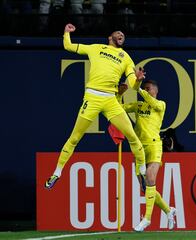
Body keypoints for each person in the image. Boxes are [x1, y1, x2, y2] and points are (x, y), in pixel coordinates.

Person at [45, 23, 146, 189]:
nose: (122, 35)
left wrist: (139, 80)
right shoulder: (96, 48)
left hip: (111, 100)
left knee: (133, 136)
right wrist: (66, 32)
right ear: (110, 37)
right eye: (118, 32)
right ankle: (56, 173)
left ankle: (142, 172)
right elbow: (68, 46)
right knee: (75, 138)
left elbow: (133, 85)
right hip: (92, 97)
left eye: (124, 35)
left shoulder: (125, 57)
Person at [117, 80, 176, 232]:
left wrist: (137, 88)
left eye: (148, 89)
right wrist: (120, 93)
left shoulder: (161, 105)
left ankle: (147, 219)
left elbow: (151, 101)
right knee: (146, 187)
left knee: (150, 178)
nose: (145, 91)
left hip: (155, 146)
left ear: (155, 91)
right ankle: (169, 210)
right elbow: (118, 109)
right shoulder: (138, 106)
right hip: (139, 148)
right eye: (144, 89)